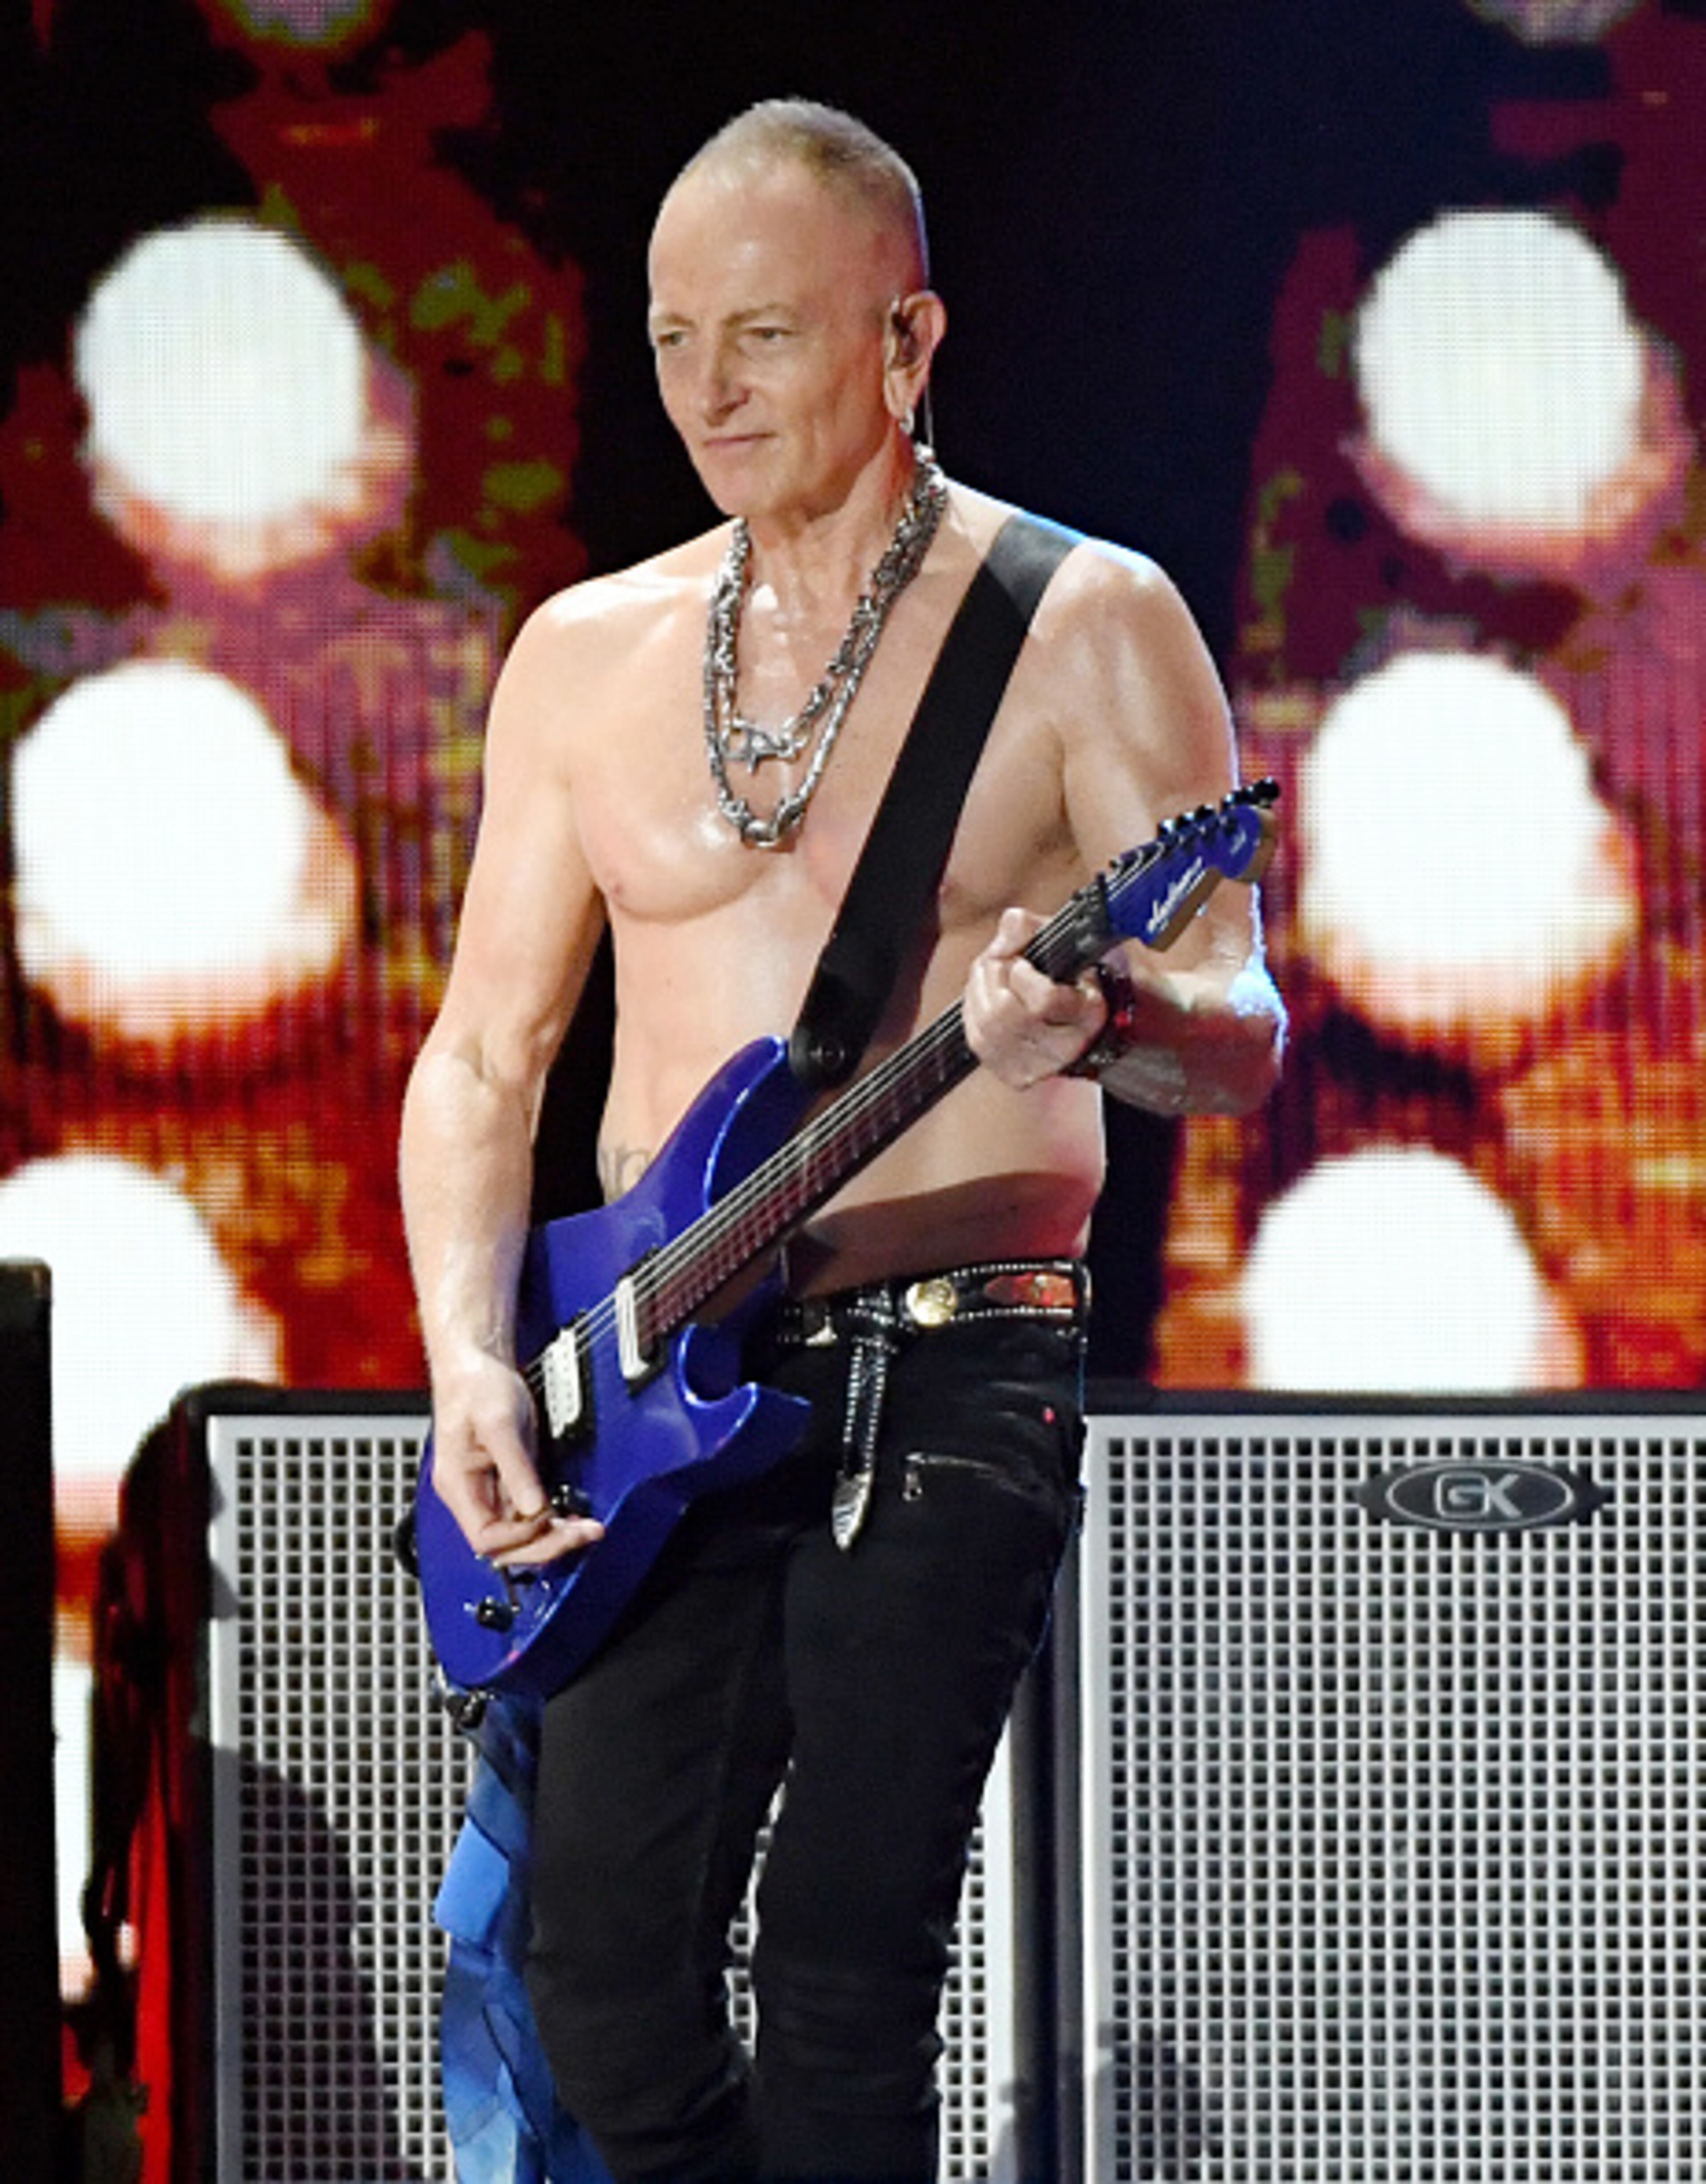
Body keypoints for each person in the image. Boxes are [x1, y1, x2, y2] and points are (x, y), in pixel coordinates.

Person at [399, 96, 1284, 2184]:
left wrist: (1124, 1013)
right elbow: (482, 1055)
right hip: (649, 1384)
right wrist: (463, 1355)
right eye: (671, 337)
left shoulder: (1087, 626)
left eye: (767, 338)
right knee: (597, 1971)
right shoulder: (583, 656)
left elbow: (1242, 1026)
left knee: (842, 1989)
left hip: (954, 1362)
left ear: (908, 340)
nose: (708, 390)